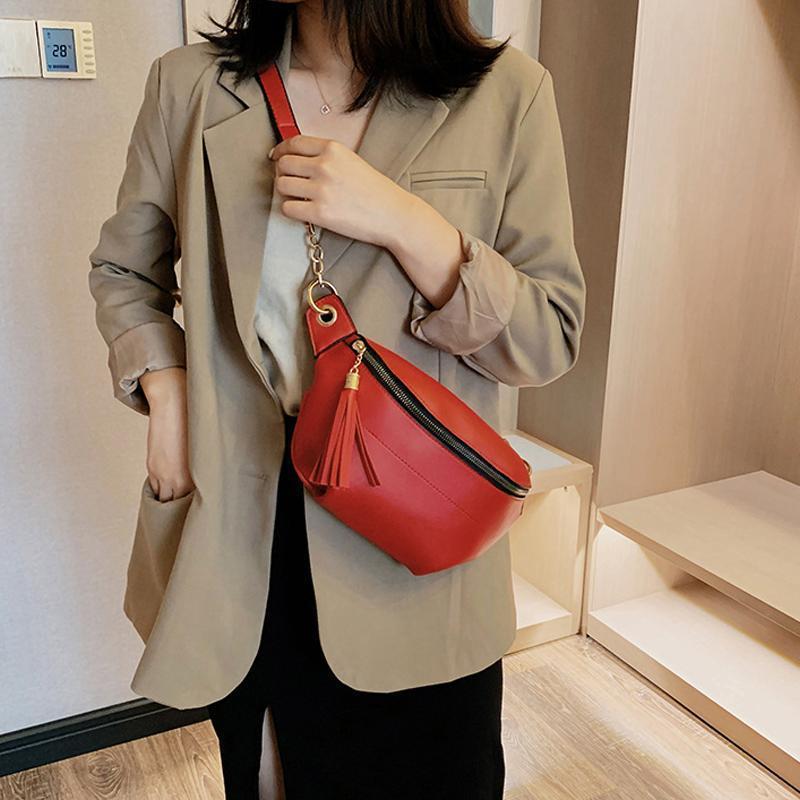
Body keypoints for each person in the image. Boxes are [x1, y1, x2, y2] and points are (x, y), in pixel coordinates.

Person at [88, 0, 586, 797]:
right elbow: (124, 272)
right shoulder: (191, 86)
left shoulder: (508, 94)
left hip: (413, 530)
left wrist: (406, 222)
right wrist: (168, 395)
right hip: (244, 528)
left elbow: (546, 337)